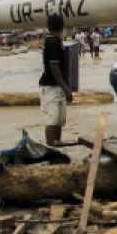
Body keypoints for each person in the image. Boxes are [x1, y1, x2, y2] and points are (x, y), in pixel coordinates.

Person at [39, 15, 74, 145]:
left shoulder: (55, 41)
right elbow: (54, 67)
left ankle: (57, 146)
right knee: (52, 120)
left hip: (57, 86)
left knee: (59, 121)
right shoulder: (53, 42)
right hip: (51, 87)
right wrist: (66, 88)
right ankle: (51, 148)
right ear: (62, 26)